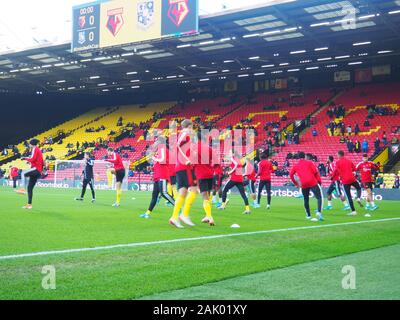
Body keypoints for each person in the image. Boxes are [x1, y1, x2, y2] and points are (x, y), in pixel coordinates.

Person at [169, 119, 197, 228]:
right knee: (194, 189)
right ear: (189, 126)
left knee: (183, 193)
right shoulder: (185, 133)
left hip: (181, 166)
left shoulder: (185, 135)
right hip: (185, 166)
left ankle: (175, 217)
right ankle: (184, 215)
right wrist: (186, 159)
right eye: (192, 127)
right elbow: (178, 145)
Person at [141, 136, 175, 219]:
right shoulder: (159, 150)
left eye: (156, 141)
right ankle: (147, 213)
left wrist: (152, 157)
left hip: (162, 174)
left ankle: (178, 207)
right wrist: (152, 168)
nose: (154, 143)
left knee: (163, 193)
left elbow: (162, 160)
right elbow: (159, 162)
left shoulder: (162, 149)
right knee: (154, 195)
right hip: (158, 174)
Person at [290, 152, 324, 222]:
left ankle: (308, 215)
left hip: (304, 184)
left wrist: (296, 183)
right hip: (312, 181)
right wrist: (319, 182)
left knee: (306, 199)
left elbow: (291, 175)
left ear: (298, 157)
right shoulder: (310, 162)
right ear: (304, 156)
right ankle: (319, 212)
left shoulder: (296, 165)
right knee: (319, 197)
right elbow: (316, 172)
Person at [219, 150, 251, 214]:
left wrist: (229, 172)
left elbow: (236, 165)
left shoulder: (232, 158)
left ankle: (222, 205)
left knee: (224, 190)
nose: (229, 153)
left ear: (233, 153)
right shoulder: (238, 159)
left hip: (234, 179)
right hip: (239, 179)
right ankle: (247, 209)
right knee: (243, 194)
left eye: (230, 152)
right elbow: (239, 166)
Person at [194, 133, 216, 226]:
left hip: (201, 174)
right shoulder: (210, 149)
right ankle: (207, 216)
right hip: (210, 174)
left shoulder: (194, 148)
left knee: (204, 197)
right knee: (208, 196)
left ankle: (210, 217)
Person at [333, 151, 364, 216]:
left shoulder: (337, 162)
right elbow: (355, 168)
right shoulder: (349, 160)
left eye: (337, 155)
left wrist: (333, 176)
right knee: (358, 188)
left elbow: (336, 171)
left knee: (348, 196)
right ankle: (358, 197)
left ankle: (353, 211)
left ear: (339, 155)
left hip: (345, 181)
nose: (337, 156)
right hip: (352, 178)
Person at [17, 139, 44, 209]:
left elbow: (32, 159)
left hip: (36, 169)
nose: (29, 145)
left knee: (23, 173)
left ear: (32, 144)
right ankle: (29, 205)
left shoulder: (35, 148)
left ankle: (22, 189)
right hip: (38, 171)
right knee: (30, 188)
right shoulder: (37, 149)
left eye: (29, 144)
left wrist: (25, 158)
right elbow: (38, 160)